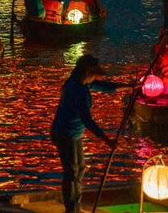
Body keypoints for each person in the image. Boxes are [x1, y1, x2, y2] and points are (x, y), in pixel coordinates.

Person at [50, 54, 123, 213]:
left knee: (79, 169)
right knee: (71, 172)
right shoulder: (77, 90)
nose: (96, 76)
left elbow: (103, 87)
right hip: (64, 133)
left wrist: (128, 87)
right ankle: (72, 209)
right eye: (94, 73)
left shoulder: (83, 84)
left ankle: (76, 205)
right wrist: (106, 139)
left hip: (73, 134)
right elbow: (87, 120)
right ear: (86, 72)